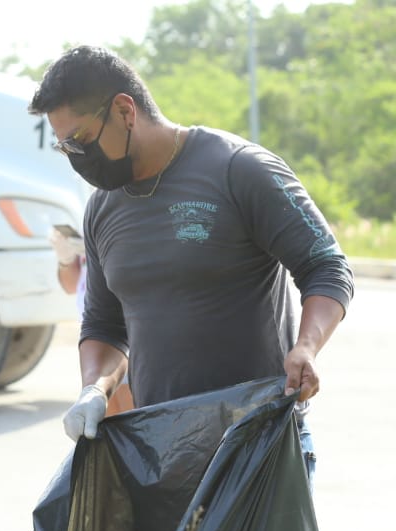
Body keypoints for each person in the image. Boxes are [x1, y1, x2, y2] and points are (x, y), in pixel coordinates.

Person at [29, 46, 352, 474]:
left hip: (257, 447)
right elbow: (105, 326)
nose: (78, 159)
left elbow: (326, 266)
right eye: (66, 147)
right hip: (162, 452)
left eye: (82, 141)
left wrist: (306, 347)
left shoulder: (238, 170)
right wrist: (95, 388)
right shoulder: (102, 211)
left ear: (125, 110)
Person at [49, 224, 134, 416]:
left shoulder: (117, 216)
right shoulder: (87, 217)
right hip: (95, 331)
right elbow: (71, 285)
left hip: (125, 329)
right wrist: (66, 259)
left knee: (132, 414)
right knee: (106, 415)